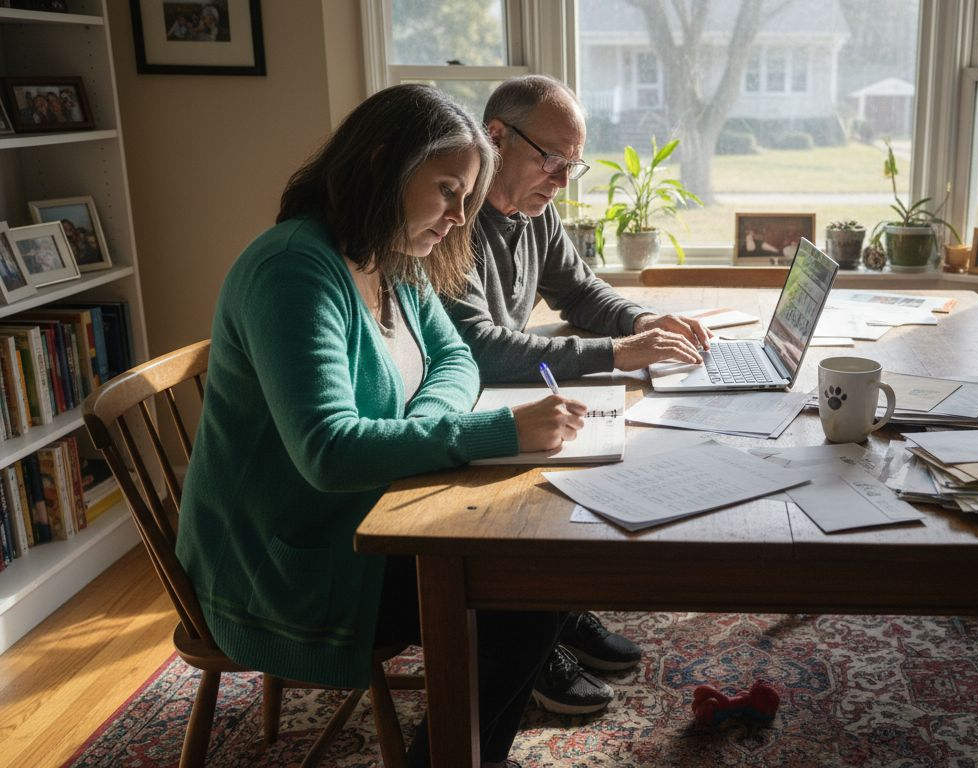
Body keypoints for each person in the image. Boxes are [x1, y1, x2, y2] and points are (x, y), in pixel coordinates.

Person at [176, 84, 586, 768]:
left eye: (470, 193)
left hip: (369, 511)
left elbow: (456, 359)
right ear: (380, 163)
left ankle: (467, 751)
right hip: (289, 561)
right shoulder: (293, 271)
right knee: (524, 590)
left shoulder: (389, 253)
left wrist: (417, 432)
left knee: (531, 561)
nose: (462, 216)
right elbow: (330, 452)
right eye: (449, 189)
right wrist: (496, 433)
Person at [444, 74, 712, 716]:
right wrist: (618, 355)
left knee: (608, 450)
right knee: (566, 480)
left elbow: (580, 290)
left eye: (573, 163)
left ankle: (554, 611)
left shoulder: (537, 210)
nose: (563, 179)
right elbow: (483, 346)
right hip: (471, 409)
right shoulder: (450, 220)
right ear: (497, 138)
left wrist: (640, 320)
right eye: (552, 159)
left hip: (509, 397)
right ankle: (530, 631)